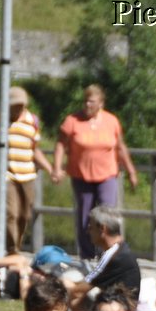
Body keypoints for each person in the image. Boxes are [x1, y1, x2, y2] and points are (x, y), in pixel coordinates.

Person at [50, 84, 139, 259]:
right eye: (85, 101)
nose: (87, 105)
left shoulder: (111, 121)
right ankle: (87, 256)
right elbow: (61, 145)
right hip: (81, 175)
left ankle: (111, 254)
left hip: (107, 174)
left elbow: (120, 147)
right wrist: (56, 167)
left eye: (92, 102)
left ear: (101, 103)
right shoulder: (72, 121)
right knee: (85, 218)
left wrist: (131, 171)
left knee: (108, 215)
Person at [0, 86, 54, 257]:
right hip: (6, 175)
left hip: (28, 174)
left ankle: (17, 245)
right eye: (15, 105)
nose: (18, 109)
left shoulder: (32, 121)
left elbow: (34, 150)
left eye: (20, 105)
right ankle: (12, 250)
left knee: (24, 215)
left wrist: (50, 168)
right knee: (11, 213)